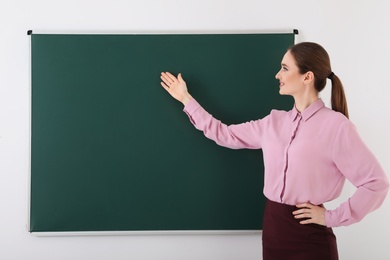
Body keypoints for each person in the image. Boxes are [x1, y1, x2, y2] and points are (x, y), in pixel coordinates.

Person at [159, 42, 389, 260]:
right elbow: (224, 133)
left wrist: (331, 217)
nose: (277, 75)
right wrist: (185, 99)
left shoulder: (337, 127)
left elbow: (376, 183)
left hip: (310, 236)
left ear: (307, 77)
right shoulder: (273, 122)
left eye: (285, 68)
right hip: (273, 229)